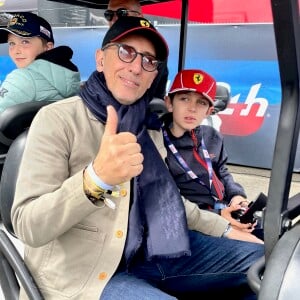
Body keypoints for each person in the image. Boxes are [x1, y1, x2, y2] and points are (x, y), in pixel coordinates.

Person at [12, 17, 263, 300]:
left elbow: (167, 201)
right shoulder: (58, 119)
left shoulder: (149, 127)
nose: (136, 66)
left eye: (148, 60)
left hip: (150, 255)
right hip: (83, 273)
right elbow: (28, 225)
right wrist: (95, 179)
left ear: (153, 76)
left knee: (269, 266)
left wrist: (226, 227)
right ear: (100, 59)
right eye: (125, 51)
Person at [162, 69, 261, 231]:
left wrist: (236, 196)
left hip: (225, 209)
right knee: (259, 250)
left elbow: (222, 171)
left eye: (201, 102)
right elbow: (169, 202)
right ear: (169, 103)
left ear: (209, 110)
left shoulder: (211, 136)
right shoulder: (159, 143)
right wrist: (219, 215)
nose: (192, 108)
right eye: (184, 99)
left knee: (276, 238)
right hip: (193, 223)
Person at [0, 12, 81, 113]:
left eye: (25, 42)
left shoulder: (22, 78)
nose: (16, 51)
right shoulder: (70, 78)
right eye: (12, 43)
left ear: (48, 47)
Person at [104, 0, 169, 100]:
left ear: (140, 16)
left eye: (122, 13)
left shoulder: (155, 46)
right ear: (100, 59)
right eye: (109, 15)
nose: (114, 20)